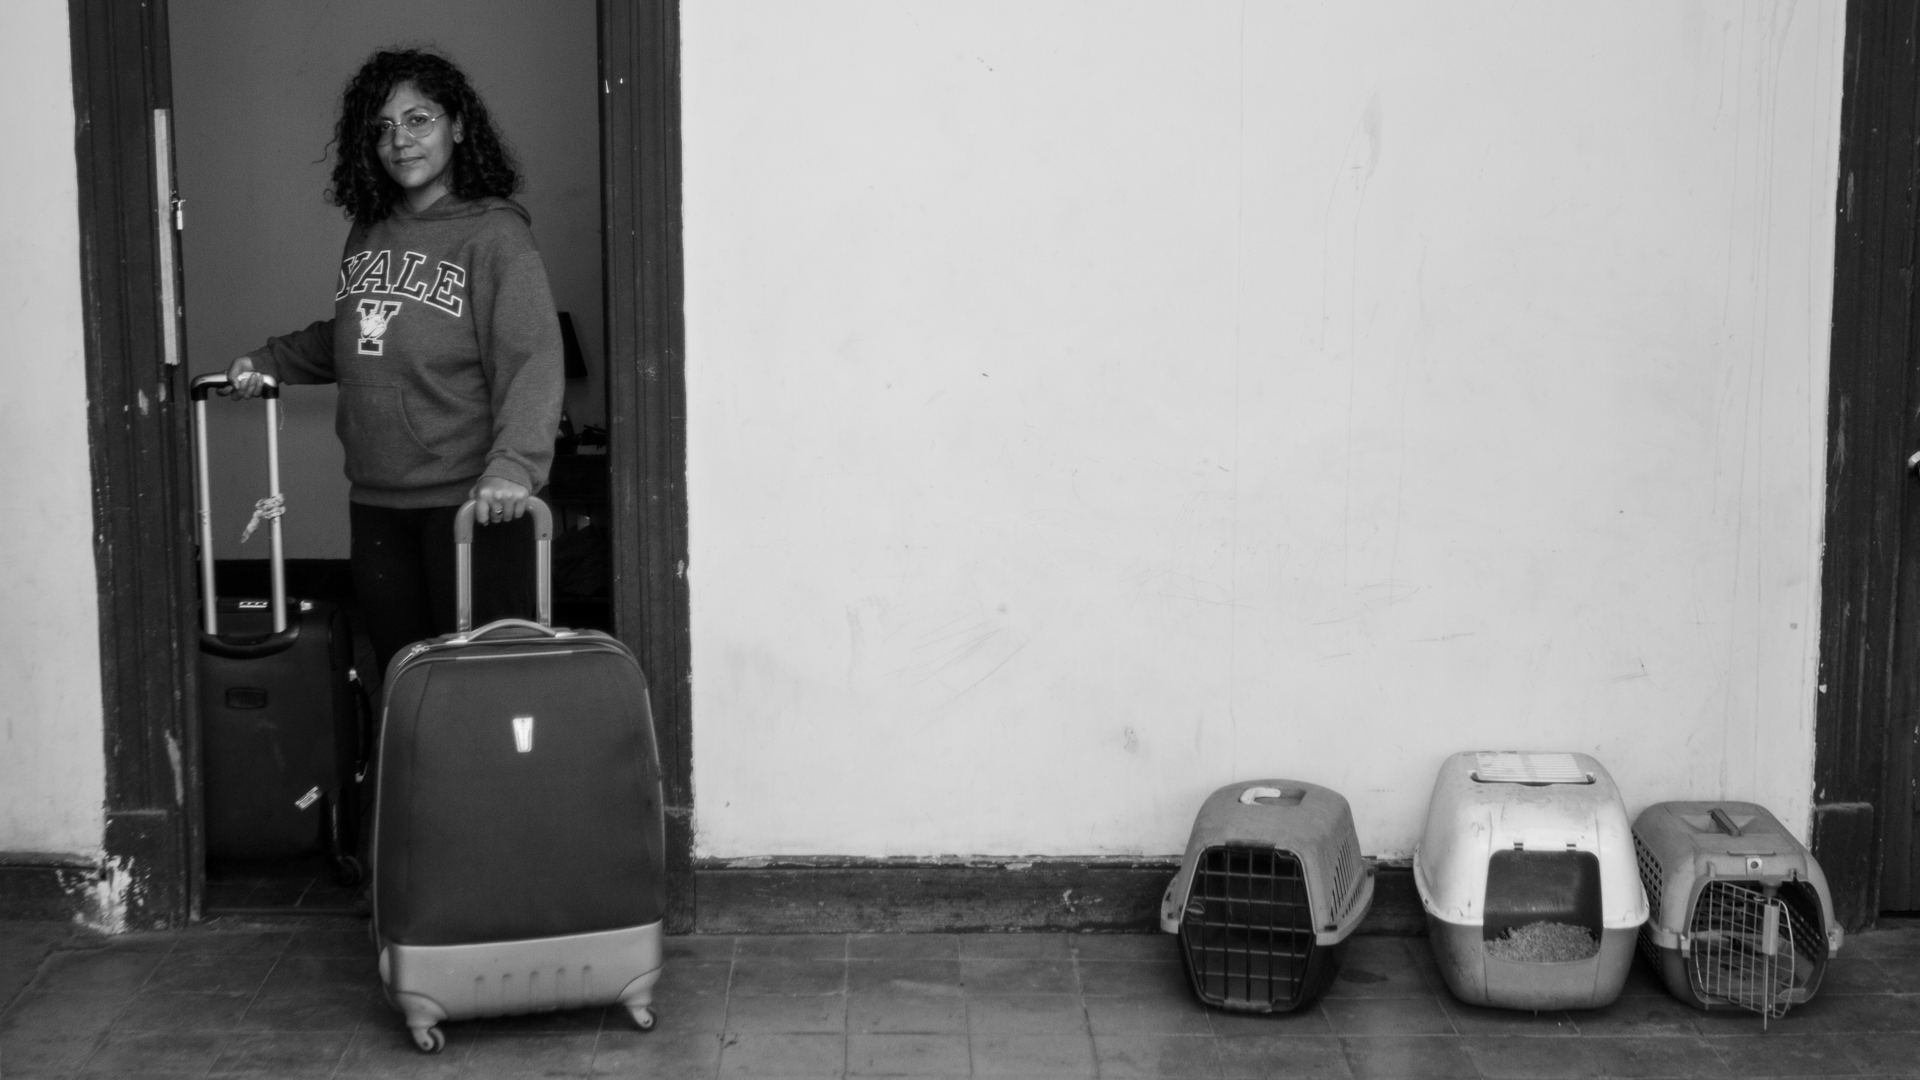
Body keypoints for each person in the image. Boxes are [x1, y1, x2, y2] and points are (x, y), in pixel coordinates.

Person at [227, 48, 563, 673]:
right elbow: (361, 333)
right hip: (378, 498)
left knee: (479, 682)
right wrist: (273, 360)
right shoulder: (370, 229)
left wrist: (514, 467)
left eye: (418, 120)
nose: (400, 140)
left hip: (475, 503)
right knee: (402, 671)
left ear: (457, 126)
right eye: (383, 127)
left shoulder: (496, 235)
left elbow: (532, 357)